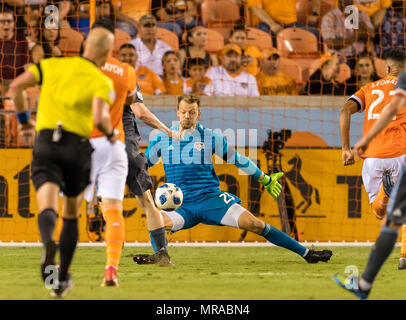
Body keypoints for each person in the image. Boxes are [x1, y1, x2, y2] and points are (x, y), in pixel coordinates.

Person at [133, 94, 333, 265]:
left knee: (254, 224)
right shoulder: (161, 138)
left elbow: (238, 160)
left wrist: (264, 179)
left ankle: (307, 254)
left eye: (192, 112)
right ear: (177, 112)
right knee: (156, 219)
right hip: (181, 205)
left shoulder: (210, 137)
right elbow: (144, 165)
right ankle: (161, 256)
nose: (187, 116)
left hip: (211, 199)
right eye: (184, 111)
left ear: (199, 113)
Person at [8, 27, 117, 298]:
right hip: (76, 147)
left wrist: (24, 122)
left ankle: (48, 244)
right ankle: (61, 278)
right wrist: (111, 133)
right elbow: (99, 117)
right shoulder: (101, 80)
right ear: (107, 53)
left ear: (85, 46)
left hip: (46, 141)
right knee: (71, 213)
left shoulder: (51, 64)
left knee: (47, 205)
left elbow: (15, 87)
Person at [334, 69, 406, 299]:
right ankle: (403, 255)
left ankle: (365, 284)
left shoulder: (372, 87)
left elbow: (346, 108)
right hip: (402, 151)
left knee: (385, 215)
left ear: (386, 68)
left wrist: (353, 145)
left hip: (376, 154)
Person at [321, 0, 374, 69]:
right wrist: (354, 38)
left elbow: (371, 36)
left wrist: (355, 19)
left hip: (361, 58)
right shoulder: (329, 17)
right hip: (340, 59)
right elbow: (331, 43)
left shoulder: (362, 14)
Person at [247, 0, 320, 48]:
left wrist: (315, 13)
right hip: (267, 24)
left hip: (291, 24)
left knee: (315, 33)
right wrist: (273, 25)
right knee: (263, 35)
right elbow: (256, 9)